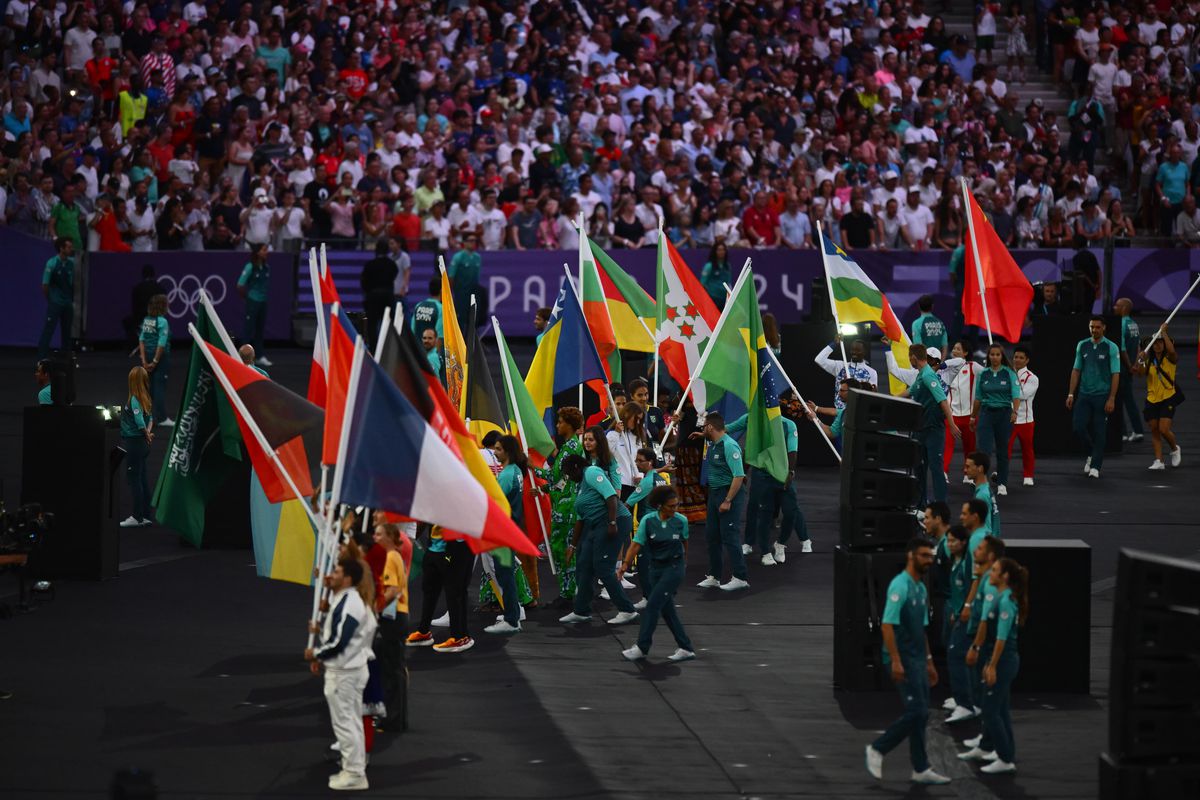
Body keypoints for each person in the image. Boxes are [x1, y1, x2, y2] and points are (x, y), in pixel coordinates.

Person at [864, 537, 951, 786]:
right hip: (901, 658)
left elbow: (922, 629)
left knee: (921, 715)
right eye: (924, 556)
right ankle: (878, 748)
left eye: (931, 557)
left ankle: (920, 767)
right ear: (912, 556)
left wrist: (930, 661)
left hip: (917, 659)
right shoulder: (899, 586)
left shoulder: (921, 588)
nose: (929, 561)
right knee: (918, 711)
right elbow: (888, 626)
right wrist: (895, 660)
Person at [304, 558, 375, 792]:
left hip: (346, 673)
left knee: (345, 724)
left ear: (347, 578)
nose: (331, 574)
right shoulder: (347, 599)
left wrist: (315, 653)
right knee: (350, 723)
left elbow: (340, 642)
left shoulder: (351, 603)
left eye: (335, 571)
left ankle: (354, 773)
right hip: (348, 670)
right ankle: (353, 769)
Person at [557, 453, 640, 626]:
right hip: (596, 525)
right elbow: (580, 519)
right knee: (584, 563)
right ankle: (581, 611)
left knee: (603, 567)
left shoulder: (592, 472)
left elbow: (611, 496)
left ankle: (627, 610)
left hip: (614, 521)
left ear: (575, 467)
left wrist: (611, 522)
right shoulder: (580, 486)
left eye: (568, 473)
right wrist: (573, 545)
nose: (569, 478)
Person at [616, 485, 696, 663]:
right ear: (660, 505)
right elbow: (636, 544)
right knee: (667, 610)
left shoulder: (681, 521)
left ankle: (642, 647)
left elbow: (685, 543)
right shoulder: (648, 521)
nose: (674, 509)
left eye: (676, 505)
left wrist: (684, 564)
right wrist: (625, 565)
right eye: (670, 506)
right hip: (656, 569)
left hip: (674, 568)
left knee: (652, 606)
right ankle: (685, 647)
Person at [964, 556, 1027, 774]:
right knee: (1000, 709)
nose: (990, 573)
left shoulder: (1007, 601)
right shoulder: (1000, 596)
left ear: (1005, 576)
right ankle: (999, 750)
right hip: (1000, 659)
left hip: (1004, 661)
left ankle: (1005, 758)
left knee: (990, 711)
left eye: (995, 570)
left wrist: (991, 665)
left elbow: (1001, 638)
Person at [531, 406, 585, 604]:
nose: (557, 425)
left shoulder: (569, 449)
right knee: (566, 550)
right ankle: (569, 591)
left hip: (566, 509)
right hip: (567, 505)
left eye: (560, 421)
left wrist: (532, 467)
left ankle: (568, 593)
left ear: (569, 425)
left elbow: (553, 476)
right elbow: (562, 481)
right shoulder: (571, 447)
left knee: (563, 550)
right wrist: (544, 490)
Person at [695, 413, 750, 592]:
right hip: (715, 492)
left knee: (730, 535)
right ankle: (714, 576)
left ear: (710, 427)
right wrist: (703, 435)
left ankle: (740, 577)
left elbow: (739, 476)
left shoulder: (729, 445)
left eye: (705, 427)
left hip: (729, 493)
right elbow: (714, 433)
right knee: (712, 536)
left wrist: (728, 500)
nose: (703, 429)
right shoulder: (714, 443)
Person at [484, 435, 530, 634]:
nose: (494, 452)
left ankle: (512, 619)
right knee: (506, 574)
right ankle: (512, 612)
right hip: (510, 529)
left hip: (503, 530)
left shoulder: (506, 475)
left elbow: (495, 503)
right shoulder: (516, 471)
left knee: (505, 575)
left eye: (498, 449)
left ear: (508, 452)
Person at [405, 525, 474, 654]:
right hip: (433, 549)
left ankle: (460, 637)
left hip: (457, 550)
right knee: (429, 592)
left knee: (455, 593)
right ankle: (423, 632)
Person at [1067, 316, 1120, 478]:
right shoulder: (1082, 345)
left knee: (1099, 431)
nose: (1094, 330)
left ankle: (1096, 465)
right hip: (1084, 394)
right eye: (1092, 327)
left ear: (1103, 328)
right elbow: (1076, 370)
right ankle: (1091, 453)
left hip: (1102, 395)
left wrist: (1112, 398)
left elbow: (1115, 374)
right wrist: (1070, 393)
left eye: (1097, 327)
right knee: (1078, 427)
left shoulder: (1111, 347)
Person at [909, 344, 962, 505]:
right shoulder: (920, 375)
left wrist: (951, 424)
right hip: (920, 429)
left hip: (933, 430)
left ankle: (940, 504)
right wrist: (889, 399)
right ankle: (921, 504)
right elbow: (910, 391)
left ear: (913, 357)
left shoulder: (928, 376)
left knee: (936, 468)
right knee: (919, 468)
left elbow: (942, 400)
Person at [372, 523, 409, 733]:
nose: (375, 537)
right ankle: (396, 718)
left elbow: (393, 589)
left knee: (392, 669)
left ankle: (392, 719)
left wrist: (376, 606)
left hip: (394, 616)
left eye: (379, 534)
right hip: (397, 615)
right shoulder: (395, 556)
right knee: (395, 668)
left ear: (389, 537)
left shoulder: (391, 557)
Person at [970, 344, 1020, 496]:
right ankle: (982, 481)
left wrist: (1015, 411)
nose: (995, 357)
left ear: (1002, 356)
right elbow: (978, 397)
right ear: (988, 356)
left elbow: (1016, 395)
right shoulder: (983, 374)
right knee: (984, 450)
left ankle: (1002, 483)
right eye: (992, 354)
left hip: (1004, 414)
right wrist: (973, 416)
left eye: (998, 354)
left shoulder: (1009, 373)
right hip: (986, 414)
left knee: (1002, 450)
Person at [1133, 325, 1183, 470]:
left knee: (1163, 429)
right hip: (1152, 399)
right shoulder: (1149, 360)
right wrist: (1140, 359)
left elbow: (1172, 351)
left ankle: (1174, 449)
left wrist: (1164, 333)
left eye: (1160, 342)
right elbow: (1140, 373)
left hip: (1168, 396)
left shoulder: (1170, 358)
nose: (1157, 345)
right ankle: (1159, 461)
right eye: (1155, 342)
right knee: (1154, 429)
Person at [940, 525, 974, 720]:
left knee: (956, 654)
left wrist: (964, 609)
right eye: (948, 541)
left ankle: (965, 703)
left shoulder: (965, 564)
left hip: (965, 616)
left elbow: (970, 588)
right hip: (958, 612)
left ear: (963, 543)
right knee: (954, 653)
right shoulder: (956, 561)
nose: (949, 545)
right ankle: (963, 698)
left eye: (953, 541)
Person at [119, 366, 154, 528]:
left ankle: (137, 516)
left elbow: (139, 420)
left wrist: (146, 434)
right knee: (143, 479)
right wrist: (148, 432)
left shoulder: (134, 399)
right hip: (142, 445)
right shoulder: (146, 396)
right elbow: (151, 418)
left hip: (135, 443)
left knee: (135, 480)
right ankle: (146, 515)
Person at [815, 336, 879, 412]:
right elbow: (819, 359)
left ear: (864, 352)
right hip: (839, 413)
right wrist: (834, 344)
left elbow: (871, 395)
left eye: (858, 350)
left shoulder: (871, 372)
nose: (854, 352)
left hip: (858, 413)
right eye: (853, 350)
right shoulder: (840, 366)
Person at [1112, 298, 1144, 443]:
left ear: (1124, 308)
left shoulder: (1122, 324)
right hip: (1130, 368)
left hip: (1122, 369)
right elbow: (1138, 347)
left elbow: (1122, 349)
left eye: (1117, 305)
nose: (1114, 307)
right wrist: (1136, 364)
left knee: (1118, 400)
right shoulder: (1134, 324)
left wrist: (1129, 365)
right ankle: (1137, 430)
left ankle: (1122, 433)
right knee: (1129, 400)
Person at [138, 294, 172, 427]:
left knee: (150, 388)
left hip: (147, 354)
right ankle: (162, 418)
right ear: (162, 306)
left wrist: (144, 360)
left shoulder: (147, 320)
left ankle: (148, 417)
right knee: (159, 388)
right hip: (160, 357)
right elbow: (161, 343)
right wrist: (155, 361)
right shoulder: (163, 322)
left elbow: (141, 340)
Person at [38, 237, 75, 359]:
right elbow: (45, 285)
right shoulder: (52, 263)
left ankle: (66, 359)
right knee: (48, 330)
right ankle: (42, 359)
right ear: (61, 248)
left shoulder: (72, 263)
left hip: (67, 303)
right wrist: (51, 299)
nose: (71, 249)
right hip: (55, 303)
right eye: (69, 247)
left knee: (67, 332)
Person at [1007, 345, 1039, 486]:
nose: (1017, 360)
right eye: (1015, 357)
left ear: (1027, 360)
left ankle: (1028, 475)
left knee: (1027, 449)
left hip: (1025, 420)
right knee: (1005, 449)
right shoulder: (1007, 373)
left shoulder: (1032, 378)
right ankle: (1003, 473)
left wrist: (1006, 390)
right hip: (1009, 419)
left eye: (1021, 358)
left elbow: (1023, 395)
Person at [238, 243, 271, 367]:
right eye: (264, 249)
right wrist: (248, 298)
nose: (266, 252)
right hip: (252, 302)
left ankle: (259, 356)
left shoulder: (267, 267)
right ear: (258, 252)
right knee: (248, 330)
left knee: (260, 330)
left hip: (263, 302)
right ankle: (242, 358)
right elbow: (240, 285)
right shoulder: (250, 266)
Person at [360, 240, 398, 351]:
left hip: (373, 297)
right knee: (390, 323)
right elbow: (393, 276)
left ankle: (373, 348)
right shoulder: (392, 264)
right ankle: (389, 348)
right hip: (387, 297)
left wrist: (369, 292)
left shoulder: (369, 265)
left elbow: (364, 281)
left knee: (372, 324)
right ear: (387, 251)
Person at [448, 233, 482, 327]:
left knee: (473, 318)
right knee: (460, 318)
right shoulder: (458, 257)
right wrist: (450, 292)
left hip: (473, 293)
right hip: (461, 293)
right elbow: (451, 276)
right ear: (464, 242)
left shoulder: (478, 257)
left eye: (475, 241)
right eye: (471, 240)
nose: (473, 243)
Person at [964, 452, 1000, 537]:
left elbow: (986, 529)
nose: (965, 470)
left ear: (980, 468)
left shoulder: (982, 495)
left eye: (968, 467)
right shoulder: (986, 489)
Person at [410, 276, 443, 341]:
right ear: (442, 291)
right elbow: (439, 337)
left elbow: (412, 331)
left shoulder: (418, 306)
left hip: (417, 349)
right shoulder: (441, 309)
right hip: (430, 350)